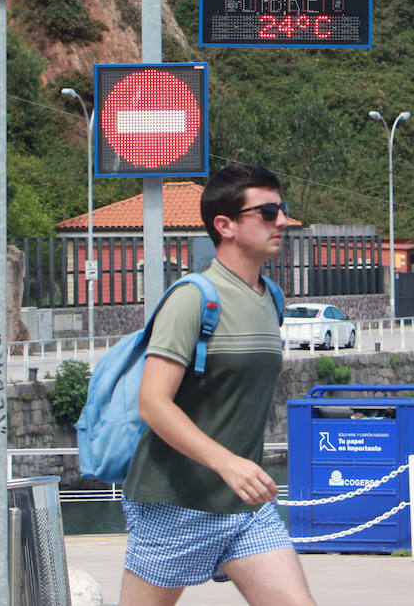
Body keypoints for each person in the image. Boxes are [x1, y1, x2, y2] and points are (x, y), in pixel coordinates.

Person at [119, 163, 314, 606]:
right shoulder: (192, 299)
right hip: (175, 503)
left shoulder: (273, 299)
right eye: (266, 212)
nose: (281, 220)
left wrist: (236, 473)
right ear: (224, 225)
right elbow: (153, 403)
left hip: (246, 508)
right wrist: (228, 464)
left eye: (281, 208)